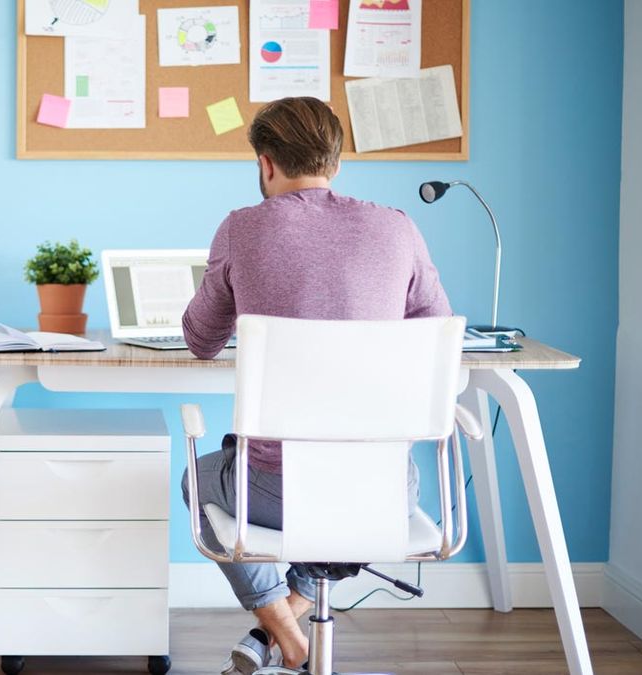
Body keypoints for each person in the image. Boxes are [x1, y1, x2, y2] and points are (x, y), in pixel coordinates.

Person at [180, 96, 452, 673]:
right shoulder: (398, 228)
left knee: (197, 478)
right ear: (336, 161)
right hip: (384, 494)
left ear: (266, 163)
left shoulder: (241, 229)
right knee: (338, 511)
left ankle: (282, 631)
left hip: (278, 495)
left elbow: (201, 340)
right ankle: (283, 632)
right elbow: (434, 344)